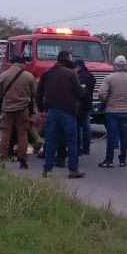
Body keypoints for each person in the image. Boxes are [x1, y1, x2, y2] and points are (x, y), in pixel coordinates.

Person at [36, 50, 85, 179]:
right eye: (71, 58)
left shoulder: (47, 72)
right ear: (67, 59)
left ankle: (47, 169)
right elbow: (80, 93)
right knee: (71, 141)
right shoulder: (71, 74)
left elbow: (39, 93)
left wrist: (41, 109)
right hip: (68, 112)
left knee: (51, 141)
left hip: (51, 111)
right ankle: (73, 170)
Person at [0, 56, 37, 170]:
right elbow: (33, 93)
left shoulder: (3, 75)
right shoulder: (28, 76)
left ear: (12, 64)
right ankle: (23, 160)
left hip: (7, 110)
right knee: (22, 135)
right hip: (23, 110)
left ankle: (2, 160)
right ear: (22, 64)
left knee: (5, 135)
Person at [98, 55, 127, 168]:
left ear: (115, 65)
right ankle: (123, 160)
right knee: (125, 136)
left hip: (112, 111)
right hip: (126, 111)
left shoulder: (110, 78)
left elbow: (102, 93)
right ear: (125, 65)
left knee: (112, 136)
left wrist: (106, 102)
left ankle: (109, 160)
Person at [75, 59, 96, 156]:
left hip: (79, 104)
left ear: (78, 66)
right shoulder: (91, 76)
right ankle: (86, 148)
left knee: (77, 127)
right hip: (88, 103)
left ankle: (77, 148)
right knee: (87, 126)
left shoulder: (77, 76)